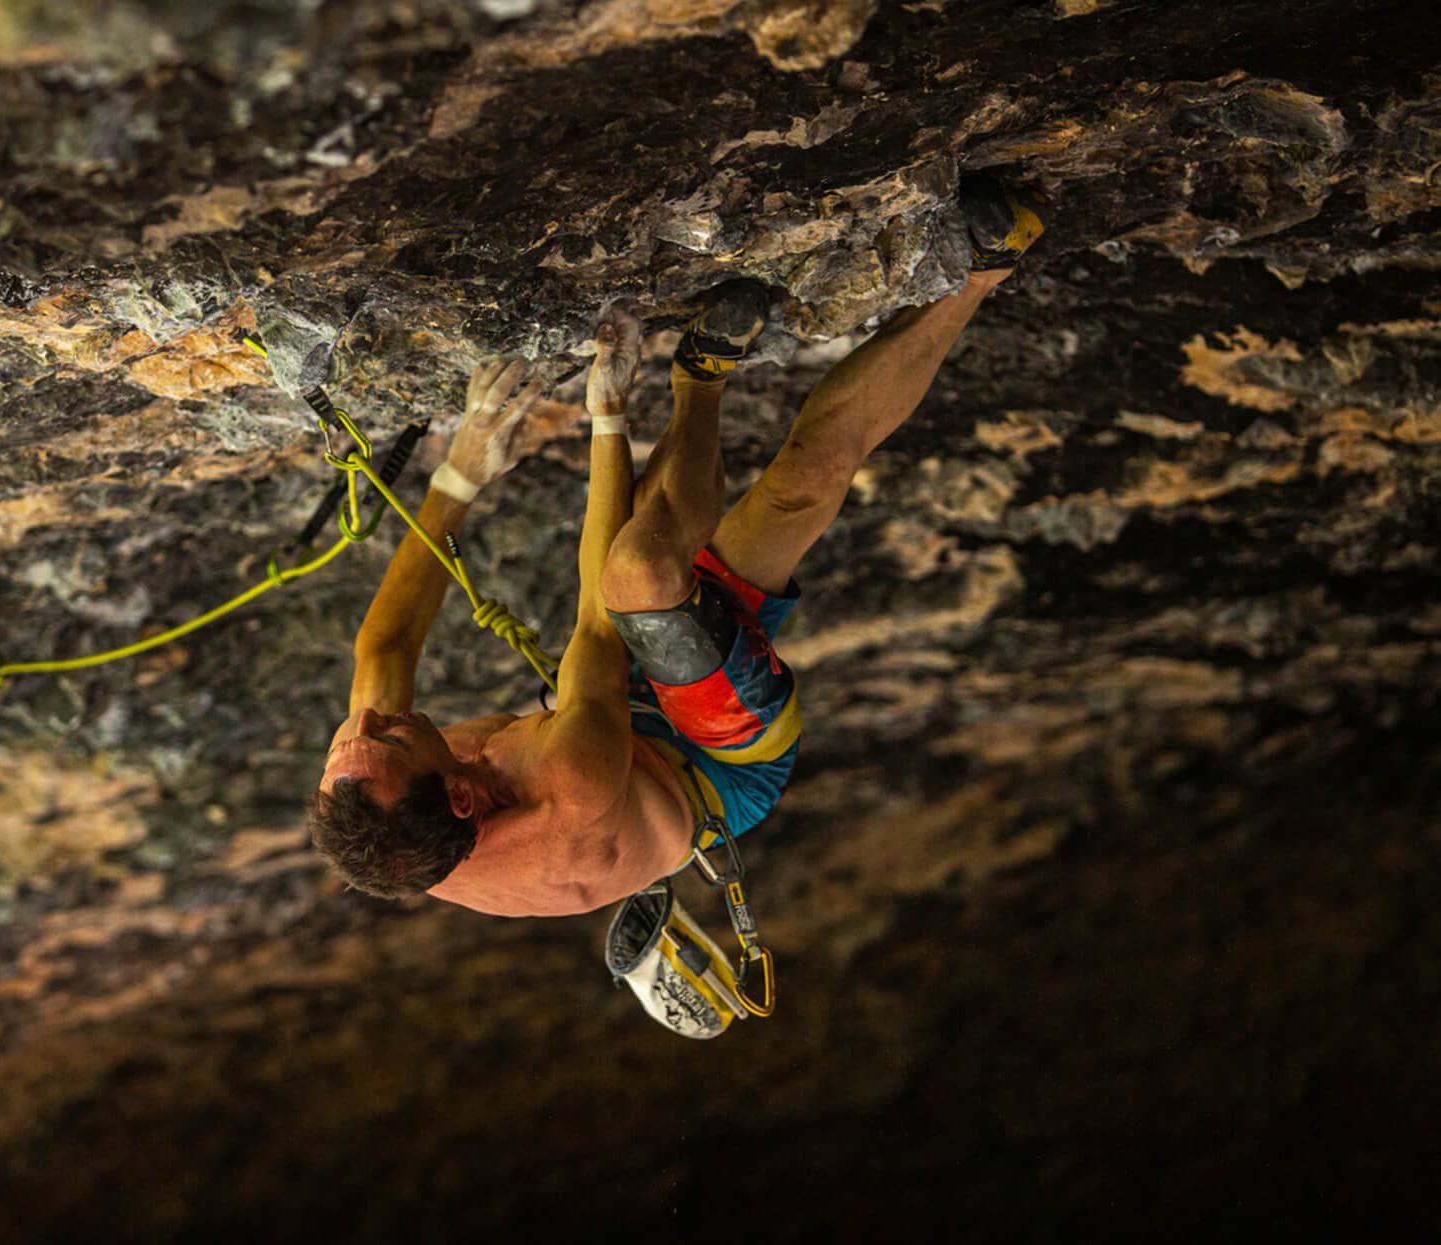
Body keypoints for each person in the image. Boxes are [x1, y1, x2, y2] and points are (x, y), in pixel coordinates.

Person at [310, 177, 1045, 917]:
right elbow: (600, 617)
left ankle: (701, 377)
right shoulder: (567, 787)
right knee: (685, 548)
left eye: (358, 734)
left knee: (646, 572)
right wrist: (609, 413)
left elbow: (387, 644)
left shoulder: (365, 783)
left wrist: (460, 476)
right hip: (714, 763)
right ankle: (982, 270)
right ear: (463, 794)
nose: (367, 722)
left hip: (605, 716)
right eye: (389, 736)